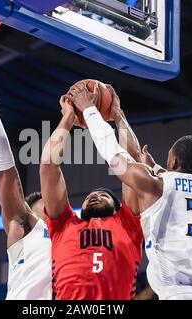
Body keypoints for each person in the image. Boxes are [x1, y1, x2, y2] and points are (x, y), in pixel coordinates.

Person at [69, 83, 192, 300]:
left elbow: (114, 154)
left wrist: (89, 109)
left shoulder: (157, 184)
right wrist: (118, 116)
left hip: (180, 295)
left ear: (174, 160)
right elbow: (173, 177)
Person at [39, 92, 143, 300]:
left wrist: (118, 115)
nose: (94, 195)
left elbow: (133, 162)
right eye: (90, 195)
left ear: (116, 207)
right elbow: (48, 165)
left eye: (103, 195)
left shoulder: (128, 223)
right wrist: (68, 117)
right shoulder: (63, 224)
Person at [0, 71, 51, 300]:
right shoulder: (24, 225)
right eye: (43, 206)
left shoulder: (72, 234)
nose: (51, 206)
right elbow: (5, 166)